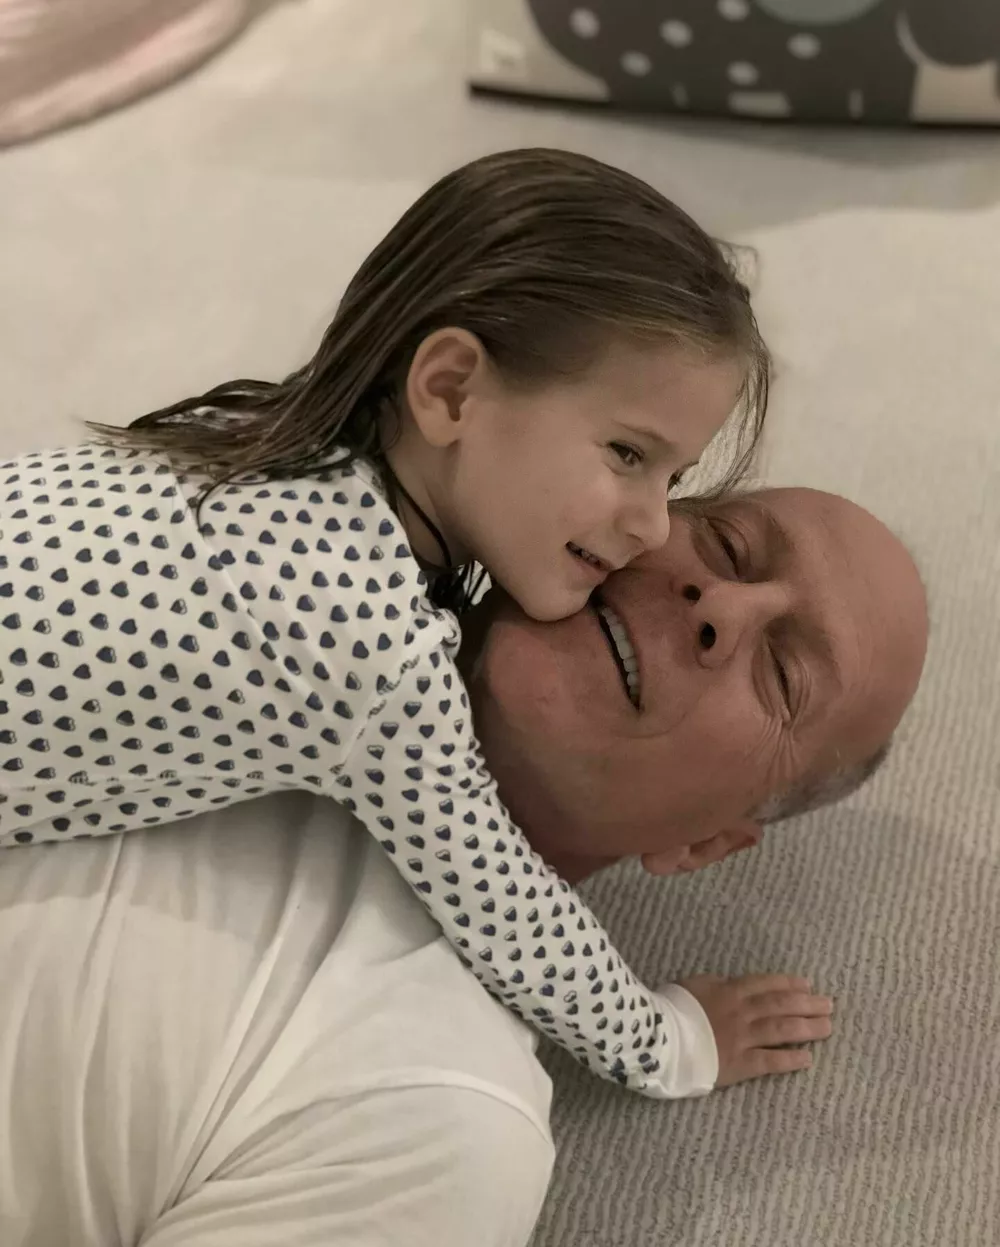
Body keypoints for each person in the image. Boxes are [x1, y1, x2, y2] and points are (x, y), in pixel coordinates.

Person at [0, 148, 769, 1095]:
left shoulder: (260, 430)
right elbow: (510, 913)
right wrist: (676, 1044)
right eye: (627, 453)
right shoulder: (376, 653)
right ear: (449, 390)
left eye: (674, 477)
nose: (654, 526)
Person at [0, 486, 928, 1247]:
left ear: (703, 844)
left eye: (784, 678)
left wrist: (672, 1039)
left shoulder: (440, 1127)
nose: (722, 605)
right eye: (726, 544)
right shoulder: (287, 538)